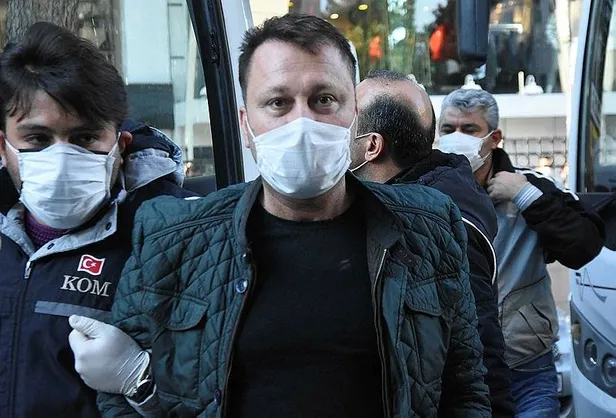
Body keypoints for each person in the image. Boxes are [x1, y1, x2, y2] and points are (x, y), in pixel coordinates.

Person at [75, 14, 491, 417]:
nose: (302, 122)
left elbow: (466, 387)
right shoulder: (173, 237)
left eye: (324, 100)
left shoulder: (428, 227)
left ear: (354, 118)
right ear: (246, 125)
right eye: (278, 102)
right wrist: (138, 382)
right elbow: (118, 401)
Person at [0, 22, 193, 417]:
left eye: (85, 138)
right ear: (3, 147)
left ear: (120, 146)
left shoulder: (168, 244)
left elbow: (215, 395)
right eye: (37, 139)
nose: (60, 160)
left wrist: (141, 381)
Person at [351, 69, 514, 417]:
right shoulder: (404, 206)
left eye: (345, 117)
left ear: (371, 145)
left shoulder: (443, 224)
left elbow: (479, 356)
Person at [437, 88, 605, 417]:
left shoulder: (530, 187)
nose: (457, 137)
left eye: (469, 129)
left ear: (494, 137)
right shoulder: (426, 192)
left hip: (527, 369)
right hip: (457, 371)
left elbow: (584, 244)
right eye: (448, 129)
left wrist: (525, 196)